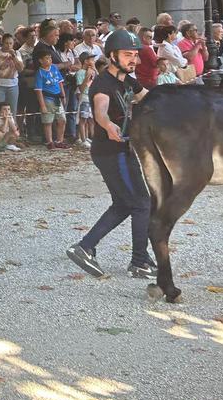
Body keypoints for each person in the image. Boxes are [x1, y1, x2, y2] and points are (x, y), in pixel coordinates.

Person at [66, 29, 157, 280]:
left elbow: (147, 99)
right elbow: (100, 111)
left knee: (124, 204)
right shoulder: (103, 84)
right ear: (113, 55)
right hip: (111, 152)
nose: (134, 60)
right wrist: (107, 126)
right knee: (141, 203)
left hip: (122, 150)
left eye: (135, 55)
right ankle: (139, 261)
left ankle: (85, 247)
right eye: (128, 54)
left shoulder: (128, 80)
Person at [34, 44, 67, 150]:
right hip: (47, 99)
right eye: (47, 58)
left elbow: (60, 82)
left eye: (50, 58)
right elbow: (38, 91)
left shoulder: (54, 68)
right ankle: (49, 141)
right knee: (48, 121)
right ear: (40, 60)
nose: (50, 60)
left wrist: (63, 95)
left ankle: (59, 140)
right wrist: (42, 105)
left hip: (58, 98)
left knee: (62, 119)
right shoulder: (40, 73)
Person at [74, 53, 97, 149]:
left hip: (91, 96)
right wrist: (87, 77)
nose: (93, 61)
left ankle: (87, 137)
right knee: (83, 119)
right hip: (84, 97)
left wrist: (94, 69)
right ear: (86, 61)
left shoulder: (92, 71)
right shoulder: (80, 73)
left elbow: (98, 81)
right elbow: (82, 88)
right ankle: (82, 140)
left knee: (89, 119)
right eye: (91, 60)